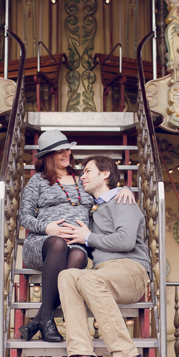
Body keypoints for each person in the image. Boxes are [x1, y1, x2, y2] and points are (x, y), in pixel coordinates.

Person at [18, 131, 135, 342]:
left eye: (68, 149)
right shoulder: (37, 181)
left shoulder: (82, 179)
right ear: (48, 155)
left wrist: (124, 188)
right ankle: (46, 321)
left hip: (75, 243)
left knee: (79, 257)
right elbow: (23, 216)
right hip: (43, 243)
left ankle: (38, 320)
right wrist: (47, 228)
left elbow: (104, 186)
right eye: (60, 150)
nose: (67, 153)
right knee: (58, 244)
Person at [52, 156, 149, 357]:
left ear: (105, 174)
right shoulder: (96, 210)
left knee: (90, 281)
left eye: (88, 171)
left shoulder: (122, 200)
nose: (82, 176)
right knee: (67, 276)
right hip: (103, 273)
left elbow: (126, 241)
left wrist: (88, 237)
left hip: (131, 271)